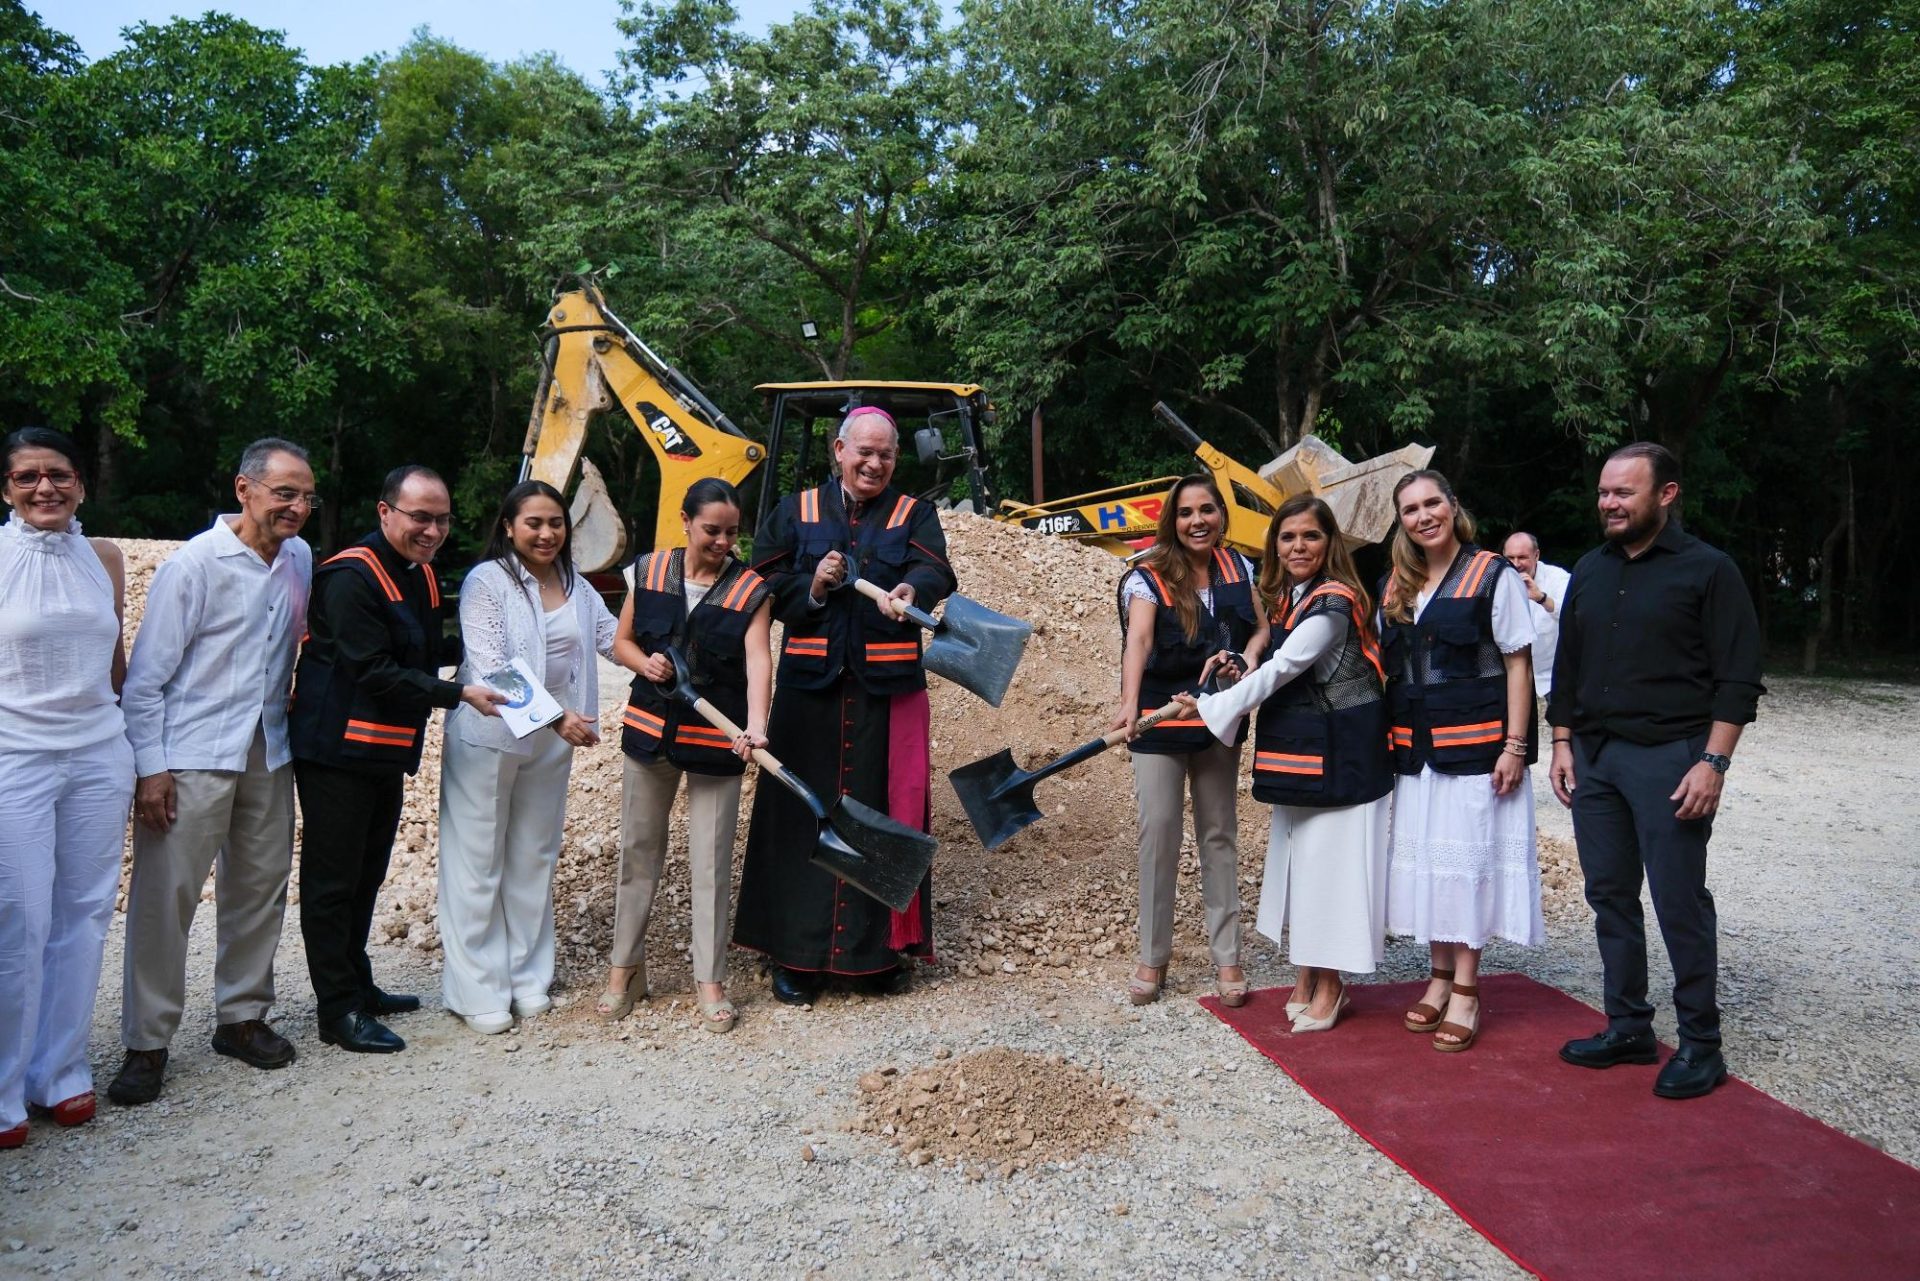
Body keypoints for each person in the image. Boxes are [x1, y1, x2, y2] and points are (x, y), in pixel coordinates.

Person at [1550, 442, 1763, 1100]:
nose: (1609, 503)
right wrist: (1561, 741)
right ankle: (1629, 1025)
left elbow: (1738, 676)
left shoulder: (1708, 570)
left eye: (1624, 493)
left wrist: (1713, 762)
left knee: (1677, 901)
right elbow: (1570, 664)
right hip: (1595, 757)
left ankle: (1702, 1044)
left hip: (1672, 758)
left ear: (1665, 494)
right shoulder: (1588, 568)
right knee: (1610, 894)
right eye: (1605, 492)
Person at [109, 439, 315, 1107]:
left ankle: (242, 1017)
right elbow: (145, 681)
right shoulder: (193, 566)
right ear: (244, 489)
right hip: (192, 753)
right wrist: (151, 769)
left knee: (259, 886)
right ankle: (147, 1040)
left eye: (307, 495)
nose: (297, 506)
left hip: (267, 747)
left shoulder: (299, 559)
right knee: (165, 898)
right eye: (284, 492)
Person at [733, 407, 955, 1006]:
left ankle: (874, 955)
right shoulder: (794, 510)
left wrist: (913, 592)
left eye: (885, 455)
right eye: (864, 452)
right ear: (839, 449)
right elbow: (760, 587)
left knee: (879, 816)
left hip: (886, 694)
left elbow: (935, 571)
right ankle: (797, 958)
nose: (874, 464)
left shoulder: (917, 513)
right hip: (809, 695)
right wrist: (814, 584)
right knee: (798, 819)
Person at [290, 465, 504, 1054]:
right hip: (335, 751)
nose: (432, 530)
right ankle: (337, 1010)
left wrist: (499, 648)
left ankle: (358, 984)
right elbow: (373, 670)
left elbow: (432, 650)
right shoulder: (349, 577)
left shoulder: (423, 577)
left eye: (440, 519)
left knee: (367, 875)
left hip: (383, 752)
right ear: (385, 513)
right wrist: (459, 693)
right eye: (419, 517)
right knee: (332, 882)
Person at [1180, 495, 1392, 1031]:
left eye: (1311, 537)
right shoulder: (1290, 599)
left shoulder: (1335, 602)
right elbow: (1269, 659)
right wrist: (1235, 669)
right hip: (1305, 747)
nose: (1298, 546)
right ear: (1274, 544)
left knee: (1334, 868)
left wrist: (1210, 707)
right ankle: (1308, 969)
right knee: (1301, 862)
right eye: (1288, 537)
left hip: (1344, 752)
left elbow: (1287, 667)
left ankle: (1334, 983)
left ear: (1330, 544)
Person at [437, 481, 617, 1035]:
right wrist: (558, 716)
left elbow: (613, 638)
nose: (546, 533)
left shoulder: (579, 587)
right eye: (534, 523)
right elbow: (490, 665)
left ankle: (527, 978)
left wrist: (666, 649)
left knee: (533, 857)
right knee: (477, 860)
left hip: (550, 741)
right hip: (490, 734)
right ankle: (476, 989)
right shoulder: (487, 582)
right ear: (510, 527)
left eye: (556, 523)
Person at [0, 426, 134, 1149]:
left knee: (83, 911)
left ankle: (61, 1068)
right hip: (12, 754)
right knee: (17, 916)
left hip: (96, 752)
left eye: (59, 474)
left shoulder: (104, 556)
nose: (44, 487)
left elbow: (115, 662)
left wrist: (132, 751)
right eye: (27, 476)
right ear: (7, 488)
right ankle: (4, 1084)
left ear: (81, 483)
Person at [1380, 469, 1543, 1053]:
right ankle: (1439, 977)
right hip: (1417, 751)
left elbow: (1517, 663)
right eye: (1410, 509)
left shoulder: (1490, 573)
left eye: (1432, 504)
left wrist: (1515, 746)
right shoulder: (1396, 583)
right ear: (1399, 520)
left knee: (1469, 867)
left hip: (1477, 746)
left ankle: (1468, 989)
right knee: (1434, 871)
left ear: (1453, 506)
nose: (1423, 516)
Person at [602, 479, 772, 1032]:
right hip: (649, 733)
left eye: (731, 532)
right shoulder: (647, 571)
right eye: (711, 531)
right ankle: (624, 971)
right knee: (637, 852)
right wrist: (640, 663)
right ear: (685, 521)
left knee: (711, 864)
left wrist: (757, 728)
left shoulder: (752, 588)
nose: (723, 541)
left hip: (716, 743)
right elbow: (622, 641)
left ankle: (711, 980)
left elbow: (758, 662)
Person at [1111, 475, 1268, 1007]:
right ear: (1172, 521)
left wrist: (1245, 660)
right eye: (1185, 512)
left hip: (1217, 714)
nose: (1197, 521)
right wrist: (1130, 704)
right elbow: (1140, 639)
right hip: (1161, 716)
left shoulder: (1239, 568)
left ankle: (1228, 957)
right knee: (1159, 834)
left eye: (1207, 510)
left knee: (1219, 832)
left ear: (1222, 515)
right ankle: (1152, 957)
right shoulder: (1148, 575)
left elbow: (1261, 631)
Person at [1502, 532, 1573, 704]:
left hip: (1552, 678)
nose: (1516, 564)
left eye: (1522, 557)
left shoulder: (1558, 578)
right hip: (1511, 677)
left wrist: (1541, 597)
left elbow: (1574, 615)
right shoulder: (1497, 580)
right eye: (1510, 557)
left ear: (1537, 555)